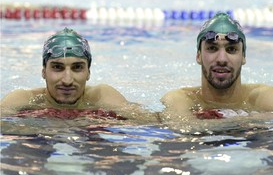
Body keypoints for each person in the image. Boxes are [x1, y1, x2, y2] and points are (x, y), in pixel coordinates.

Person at [0, 27, 158, 124]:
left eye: (77, 68)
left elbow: (154, 123)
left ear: (88, 72)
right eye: (57, 67)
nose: (67, 80)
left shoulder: (101, 97)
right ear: (43, 71)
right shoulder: (23, 101)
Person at [160, 12, 273, 123]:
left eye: (231, 49)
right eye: (212, 48)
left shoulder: (265, 98)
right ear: (198, 56)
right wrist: (255, 119)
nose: (222, 59)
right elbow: (180, 127)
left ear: (243, 57)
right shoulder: (181, 99)